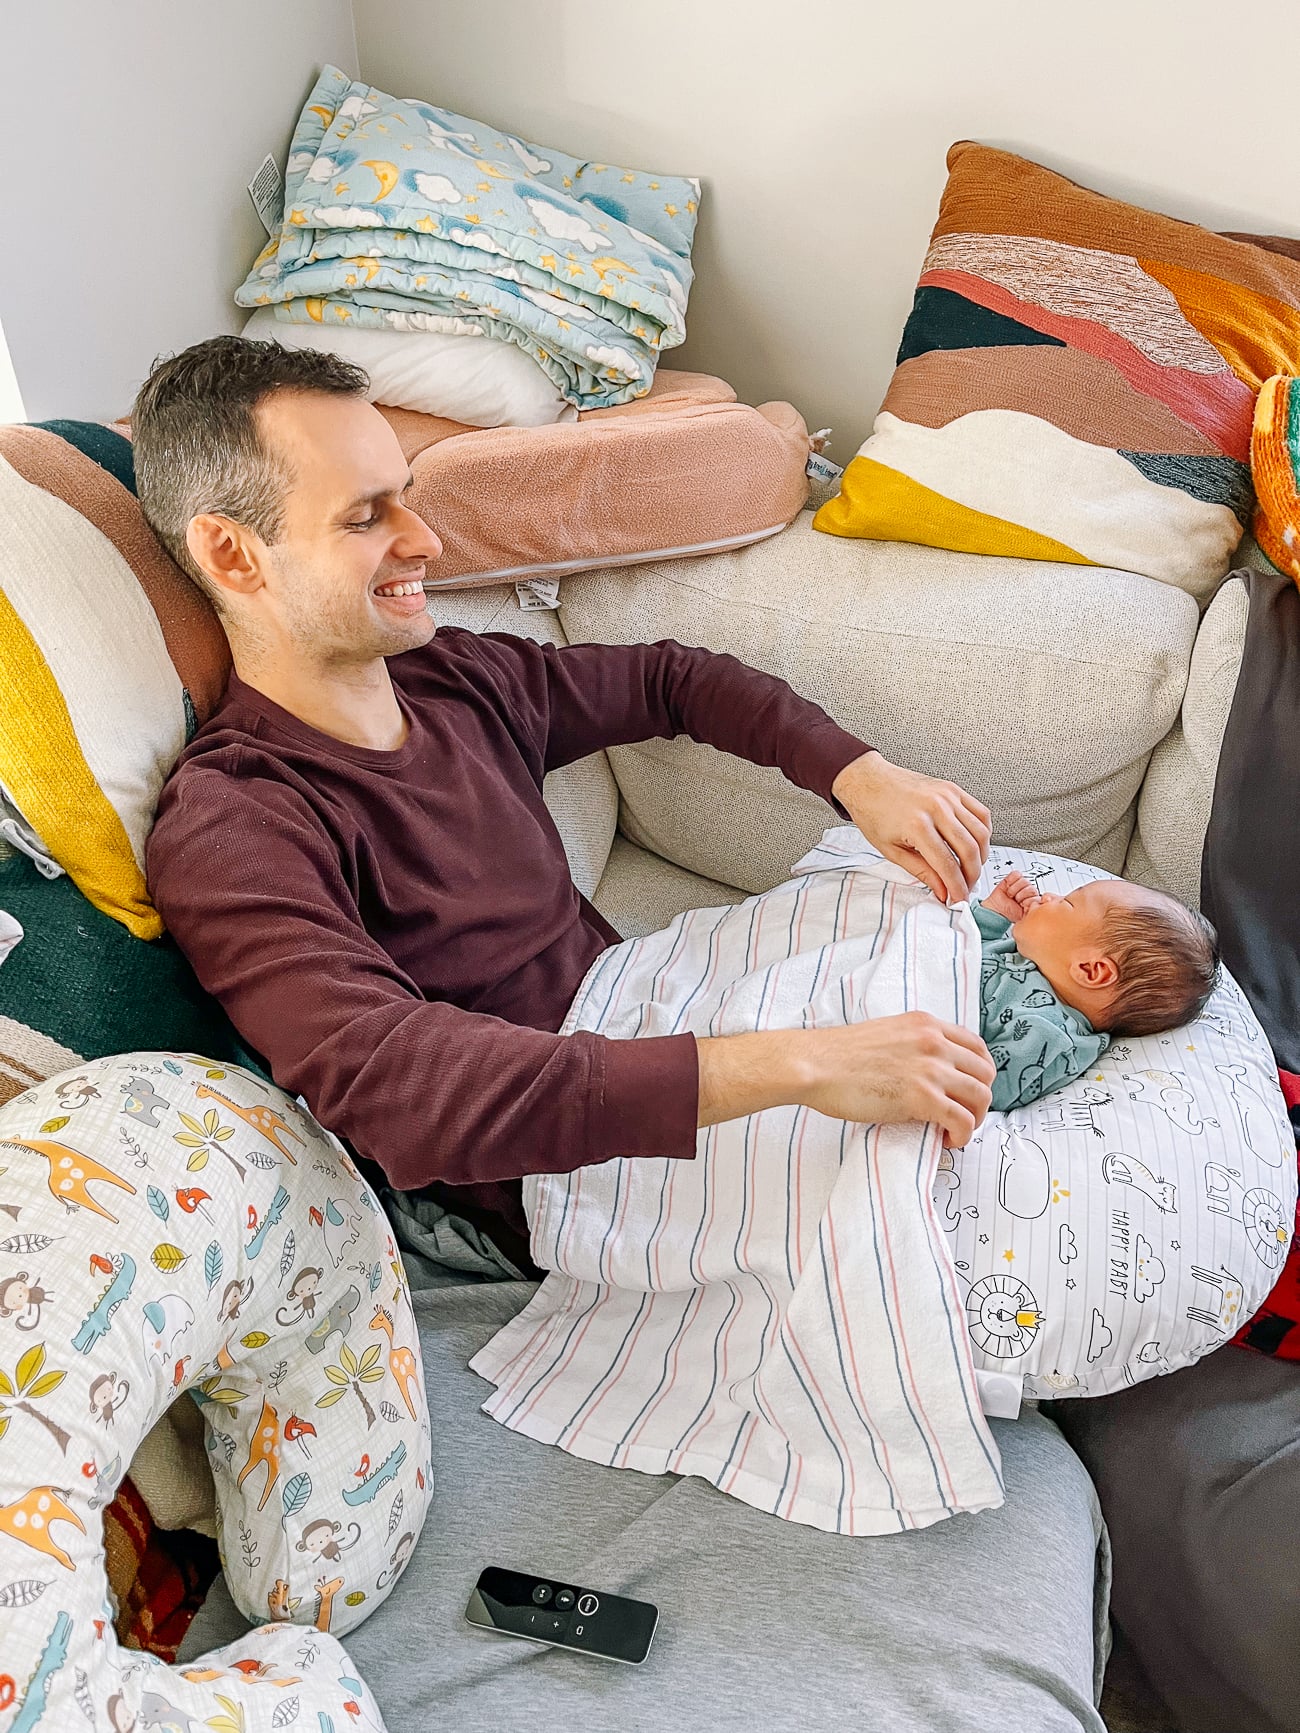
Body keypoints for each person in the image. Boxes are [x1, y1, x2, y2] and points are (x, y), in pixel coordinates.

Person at [138, 336, 996, 1273]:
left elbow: (676, 681)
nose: (424, 540)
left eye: (407, 495)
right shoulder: (237, 823)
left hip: (653, 1021)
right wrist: (803, 1063)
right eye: (365, 516)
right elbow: (403, 1089)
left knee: (1004, 944)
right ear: (231, 552)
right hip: (563, 1184)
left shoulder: (453, 678)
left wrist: (861, 775)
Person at [976, 870, 1219, 1110]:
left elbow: (976, 1089)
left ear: (1090, 971)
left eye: (1067, 903)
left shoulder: (1048, 1036)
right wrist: (991, 916)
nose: (1049, 895)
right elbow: (963, 950)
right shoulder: (1031, 957)